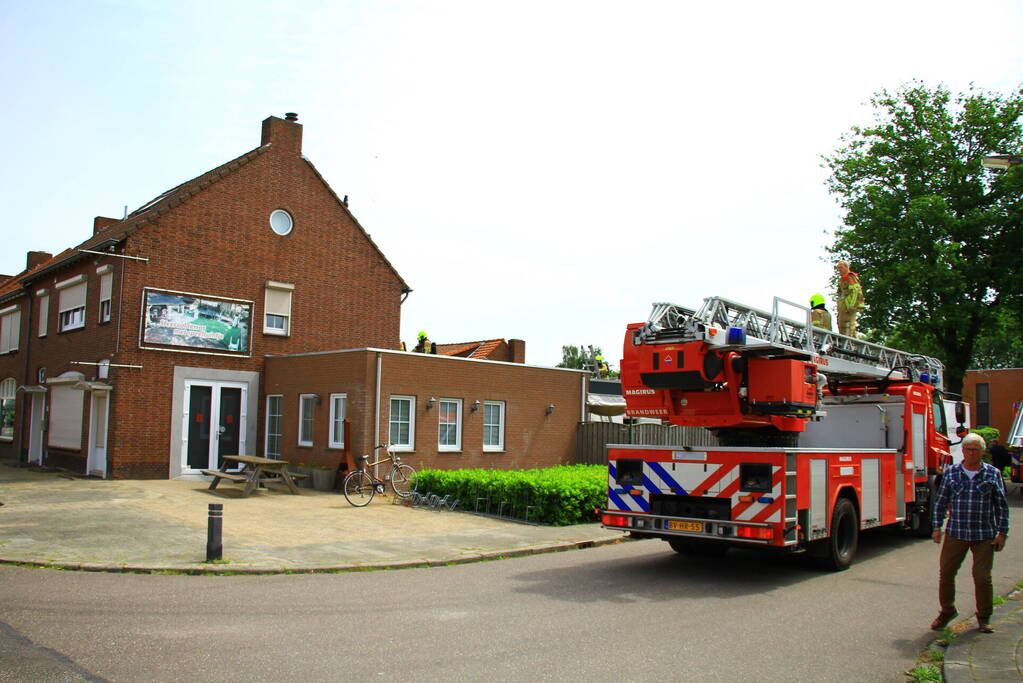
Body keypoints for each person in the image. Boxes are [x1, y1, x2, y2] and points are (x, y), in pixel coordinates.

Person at [929, 433, 1010, 633]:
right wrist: (937, 527)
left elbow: (1001, 505)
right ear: (963, 451)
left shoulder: (992, 474)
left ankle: (983, 616)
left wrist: (1002, 532)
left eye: (976, 449)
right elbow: (940, 501)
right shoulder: (952, 472)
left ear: (983, 452)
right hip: (956, 532)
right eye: (968, 449)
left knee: (982, 577)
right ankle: (947, 611)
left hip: (984, 534)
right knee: (946, 574)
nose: (971, 453)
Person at [835, 260, 865, 337]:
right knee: (842, 325)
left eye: (840, 267)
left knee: (848, 326)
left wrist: (851, 306)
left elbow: (855, 291)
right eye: (838, 268)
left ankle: (849, 344)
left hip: (848, 307)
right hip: (844, 307)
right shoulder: (843, 279)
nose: (839, 270)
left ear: (846, 267)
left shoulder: (850, 277)